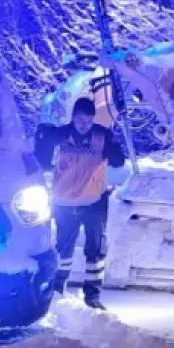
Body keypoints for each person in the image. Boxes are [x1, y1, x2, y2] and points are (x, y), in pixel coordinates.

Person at [35, 97, 125, 310]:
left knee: (95, 251)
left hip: (93, 202)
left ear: (93, 119)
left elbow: (119, 162)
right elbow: (42, 160)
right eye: (80, 119)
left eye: (88, 120)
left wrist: (112, 143)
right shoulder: (60, 136)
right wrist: (42, 138)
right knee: (63, 250)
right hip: (64, 201)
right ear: (73, 118)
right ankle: (57, 291)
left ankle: (92, 296)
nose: (84, 125)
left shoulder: (101, 137)